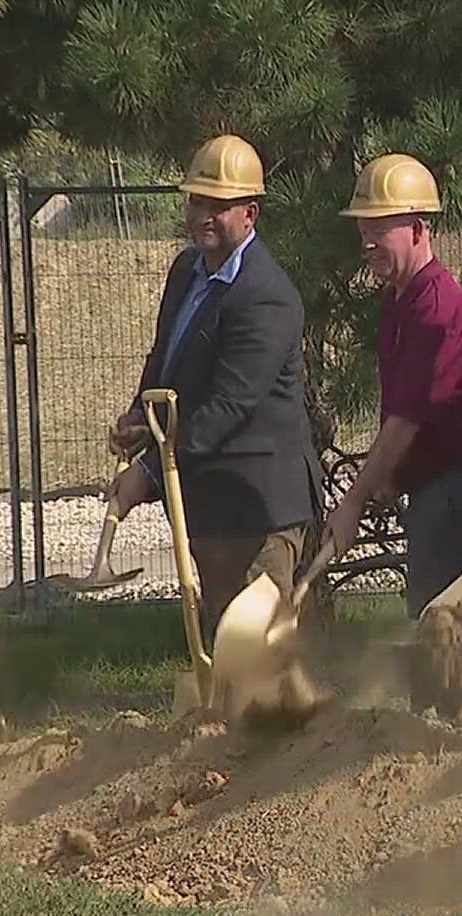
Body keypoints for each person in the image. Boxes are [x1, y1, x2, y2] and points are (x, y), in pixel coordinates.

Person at [106, 133, 318, 644]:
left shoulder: (266, 298)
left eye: (219, 205)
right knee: (224, 644)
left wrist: (149, 473)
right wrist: (141, 417)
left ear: (251, 213)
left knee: (258, 648)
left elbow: (230, 407)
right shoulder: (186, 272)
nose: (203, 215)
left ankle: (290, 724)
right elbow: (165, 357)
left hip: (260, 509)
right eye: (197, 201)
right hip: (210, 502)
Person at [321, 152, 462, 623]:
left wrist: (353, 502)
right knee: (431, 623)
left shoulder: (439, 311)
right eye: (363, 231)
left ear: (419, 229)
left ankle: (454, 701)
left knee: (444, 630)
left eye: (380, 229)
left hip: (457, 493)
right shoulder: (400, 300)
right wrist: (389, 479)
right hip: (429, 488)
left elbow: (406, 421)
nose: (367, 243)